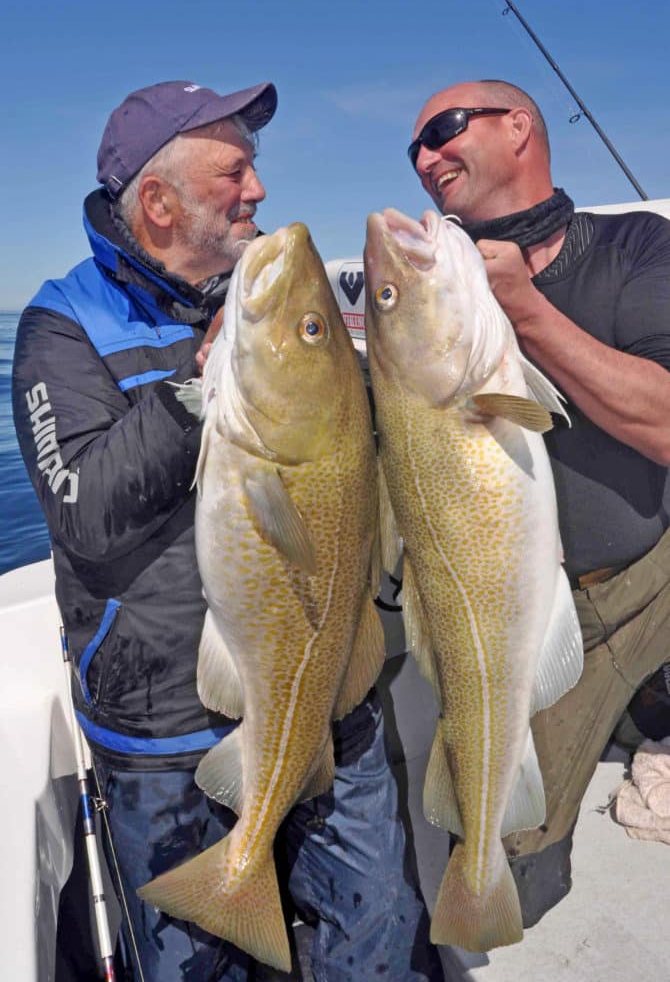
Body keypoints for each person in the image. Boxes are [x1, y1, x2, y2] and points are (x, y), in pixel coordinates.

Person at [13, 79, 443, 982]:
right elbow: (83, 511)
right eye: (235, 171)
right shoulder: (65, 323)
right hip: (166, 728)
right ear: (161, 202)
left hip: (328, 693)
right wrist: (194, 393)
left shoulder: (260, 297)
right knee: (197, 965)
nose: (258, 190)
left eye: (256, 169)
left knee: (381, 937)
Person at [409, 78, 670, 922]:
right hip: (534, 609)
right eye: (411, 147)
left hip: (652, 570)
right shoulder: (434, 292)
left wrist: (523, 307)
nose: (423, 157)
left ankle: (649, 711)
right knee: (509, 860)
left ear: (519, 126)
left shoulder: (638, 248)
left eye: (443, 129)